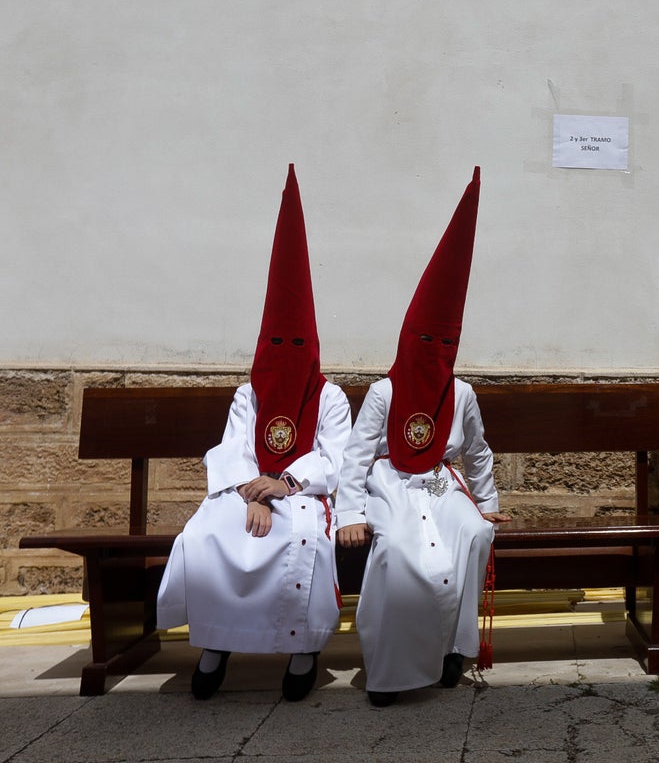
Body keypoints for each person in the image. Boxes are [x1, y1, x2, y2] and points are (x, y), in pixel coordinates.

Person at [156, 165, 351, 701]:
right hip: (244, 491)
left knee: (301, 539)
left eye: (297, 345)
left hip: (301, 494)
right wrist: (251, 491)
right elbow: (233, 447)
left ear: (311, 347)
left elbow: (334, 458)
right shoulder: (250, 394)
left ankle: (302, 648)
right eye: (277, 344)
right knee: (209, 536)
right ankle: (216, 643)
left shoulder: (329, 397)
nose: (287, 356)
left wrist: (282, 486)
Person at [336, 167, 510, 707]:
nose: (433, 350)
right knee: (396, 556)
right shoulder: (386, 393)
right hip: (392, 486)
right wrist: (349, 513)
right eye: (424, 339)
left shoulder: (460, 394)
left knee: (473, 537)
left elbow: (476, 452)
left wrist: (484, 504)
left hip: (439, 482)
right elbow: (358, 455)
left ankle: (452, 650)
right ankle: (390, 670)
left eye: (444, 341)